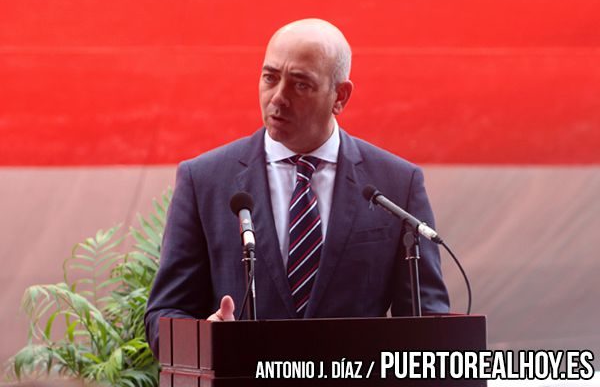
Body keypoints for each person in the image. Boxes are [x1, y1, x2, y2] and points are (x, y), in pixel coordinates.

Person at [144, 18, 449, 356]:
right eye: (270, 78)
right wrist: (206, 340)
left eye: (300, 85)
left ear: (340, 96)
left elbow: (428, 319)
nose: (278, 98)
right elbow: (164, 314)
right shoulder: (204, 180)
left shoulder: (396, 183)